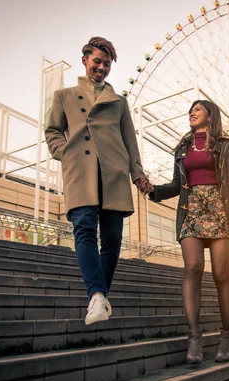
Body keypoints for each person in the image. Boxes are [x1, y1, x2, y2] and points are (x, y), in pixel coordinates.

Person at [45, 37, 153, 325]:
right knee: (83, 230)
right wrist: (66, 154)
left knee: (113, 238)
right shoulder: (63, 96)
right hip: (80, 173)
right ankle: (96, 295)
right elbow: (53, 131)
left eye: (107, 64)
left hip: (114, 174)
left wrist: (138, 174)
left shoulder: (119, 103)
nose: (102, 67)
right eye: (97, 61)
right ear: (85, 60)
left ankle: (99, 297)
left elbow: (131, 142)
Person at [149, 100, 229, 364]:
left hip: (218, 209)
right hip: (190, 209)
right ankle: (194, 338)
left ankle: (227, 337)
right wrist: (153, 191)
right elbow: (175, 184)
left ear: (210, 115)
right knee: (192, 267)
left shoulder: (224, 145)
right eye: (190, 110)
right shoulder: (182, 149)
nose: (191, 113)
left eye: (198, 110)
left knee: (220, 273)